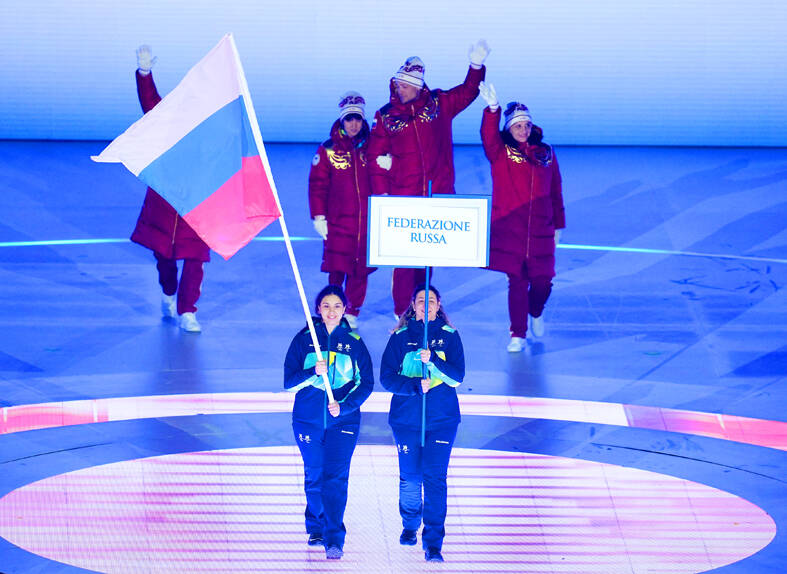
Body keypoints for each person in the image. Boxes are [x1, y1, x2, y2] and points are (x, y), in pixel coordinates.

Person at [368, 41, 489, 318]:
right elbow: (374, 156)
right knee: (403, 259)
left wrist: (476, 66)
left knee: (426, 259)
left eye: (405, 85)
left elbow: (467, 91)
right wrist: (382, 191)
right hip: (403, 197)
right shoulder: (385, 116)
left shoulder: (438, 104)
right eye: (398, 84)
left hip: (437, 195)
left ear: (418, 86)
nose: (400, 89)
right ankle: (402, 312)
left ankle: (421, 308)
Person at [283, 285, 374, 560]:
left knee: (335, 477)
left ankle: (334, 537)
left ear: (344, 309)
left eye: (337, 306)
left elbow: (366, 383)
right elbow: (289, 383)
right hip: (307, 420)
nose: (331, 311)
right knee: (314, 475)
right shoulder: (304, 339)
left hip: (343, 422)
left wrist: (344, 406)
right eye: (326, 306)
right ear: (318, 309)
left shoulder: (354, 342)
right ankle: (316, 526)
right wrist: (313, 371)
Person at [379, 284, 465, 562]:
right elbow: (387, 379)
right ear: (413, 306)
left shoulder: (450, 336)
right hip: (406, 421)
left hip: (442, 420)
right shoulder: (400, 337)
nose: (426, 305)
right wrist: (415, 385)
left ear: (438, 305)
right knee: (411, 477)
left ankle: (433, 542)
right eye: (420, 301)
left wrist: (435, 360)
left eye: (431, 301)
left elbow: (457, 378)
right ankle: (410, 524)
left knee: (435, 479)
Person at [478, 82, 566, 352]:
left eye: (527, 125)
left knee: (543, 281)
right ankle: (518, 334)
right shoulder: (500, 152)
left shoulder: (546, 153)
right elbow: (488, 136)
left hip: (541, 228)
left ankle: (536, 311)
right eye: (517, 125)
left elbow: (556, 189)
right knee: (516, 282)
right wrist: (493, 109)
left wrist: (559, 224)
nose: (523, 130)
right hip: (511, 229)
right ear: (509, 128)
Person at [130, 45, 209, 333]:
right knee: (165, 258)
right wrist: (145, 73)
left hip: (197, 205)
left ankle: (188, 311)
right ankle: (168, 292)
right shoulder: (167, 123)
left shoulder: (213, 131)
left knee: (195, 259)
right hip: (165, 203)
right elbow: (150, 103)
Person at [308, 92, 376, 330]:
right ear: (341, 120)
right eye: (349, 119)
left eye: (357, 118)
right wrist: (318, 216)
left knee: (360, 270)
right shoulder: (328, 150)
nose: (353, 124)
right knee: (337, 269)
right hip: (338, 223)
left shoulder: (374, 145)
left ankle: (352, 311)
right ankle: (333, 309)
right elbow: (317, 185)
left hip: (366, 222)